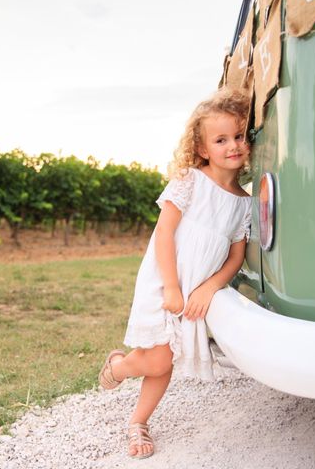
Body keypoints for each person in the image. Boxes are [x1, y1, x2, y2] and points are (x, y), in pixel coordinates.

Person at [98, 88, 252, 459]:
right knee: (156, 358)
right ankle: (118, 366)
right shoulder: (189, 181)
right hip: (164, 280)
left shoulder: (243, 203)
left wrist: (210, 288)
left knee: (164, 360)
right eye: (221, 139)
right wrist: (171, 285)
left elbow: (235, 257)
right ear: (202, 149)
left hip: (194, 289)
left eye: (239, 136)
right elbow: (164, 232)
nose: (233, 145)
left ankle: (139, 421)